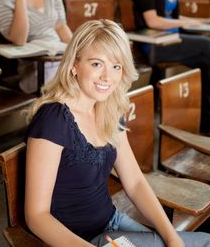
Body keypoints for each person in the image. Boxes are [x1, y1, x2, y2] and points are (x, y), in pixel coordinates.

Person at [25, 19, 210, 247]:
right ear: (74, 64)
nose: (107, 77)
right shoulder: (53, 119)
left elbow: (134, 182)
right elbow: (37, 216)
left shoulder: (109, 108)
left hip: (113, 223)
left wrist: (172, 238)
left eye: (116, 66)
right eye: (96, 64)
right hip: (80, 240)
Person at [133, 0, 210, 132]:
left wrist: (198, 22)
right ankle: (206, 121)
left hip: (174, 40)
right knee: (207, 47)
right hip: (156, 44)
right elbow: (153, 21)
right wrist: (185, 23)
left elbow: (172, 17)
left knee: (206, 64)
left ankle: (203, 119)